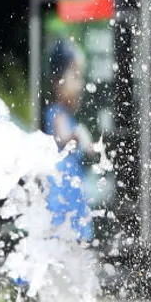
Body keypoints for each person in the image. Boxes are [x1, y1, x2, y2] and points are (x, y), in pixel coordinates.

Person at [43, 39, 95, 244]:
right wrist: (78, 135)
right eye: (75, 76)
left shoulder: (67, 116)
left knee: (71, 244)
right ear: (58, 81)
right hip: (62, 193)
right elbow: (62, 138)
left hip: (71, 191)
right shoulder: (58, 114)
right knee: (63, 239)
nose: (80, 84)